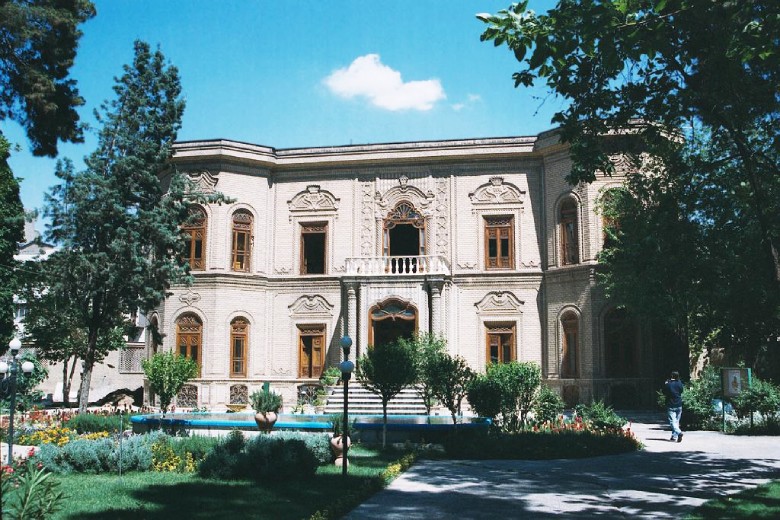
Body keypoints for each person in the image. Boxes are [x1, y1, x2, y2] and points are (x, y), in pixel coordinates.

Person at [663, 371, 684, 442]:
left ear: (671, 376)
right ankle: (674, 436)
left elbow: (664, 392)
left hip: (671, 404)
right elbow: (681, 391)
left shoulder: (668, 384)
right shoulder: (679, 383)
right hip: (679, 404)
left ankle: (679, 432)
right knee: (676, 421)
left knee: (672, 422)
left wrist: (666, 384)